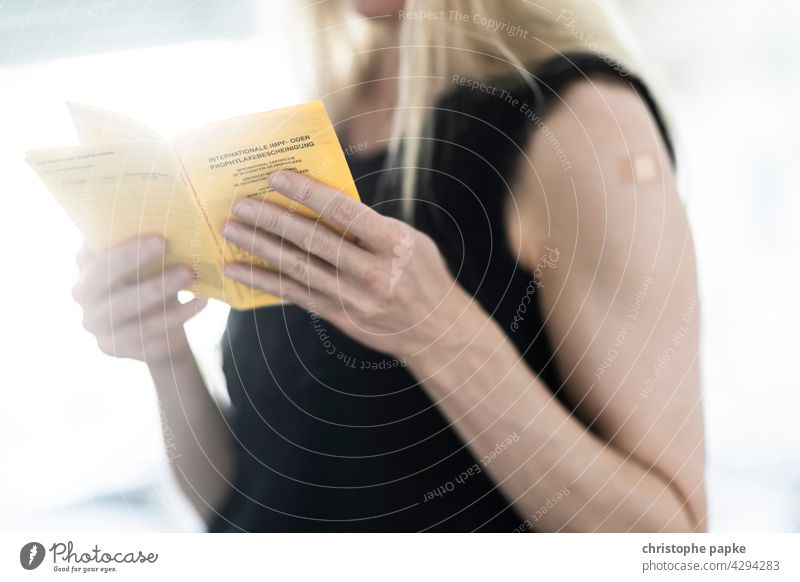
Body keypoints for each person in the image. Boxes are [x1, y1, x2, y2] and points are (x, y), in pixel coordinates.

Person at [73, 0, 707, 532]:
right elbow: (240, 505)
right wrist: (164, 351)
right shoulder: (319, 126)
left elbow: (672, 541)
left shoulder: (589, 123)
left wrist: (437, 333)